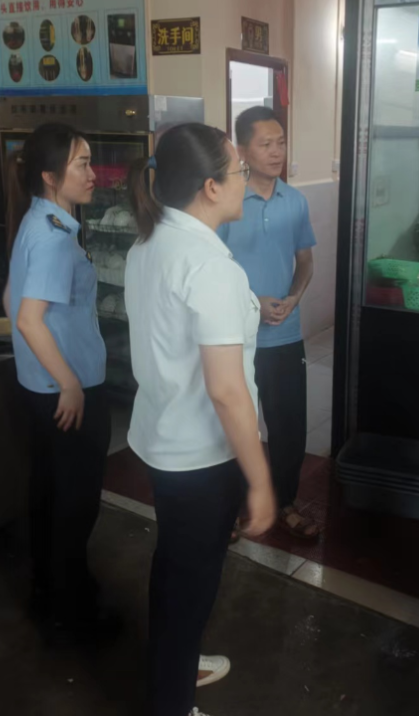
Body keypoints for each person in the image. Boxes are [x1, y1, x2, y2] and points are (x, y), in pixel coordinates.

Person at [125, 123, 277, 716]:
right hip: (202, 459)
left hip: (165, 443)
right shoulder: (209, 267)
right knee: (190, 584)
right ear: (211, 187)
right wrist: (259, 480)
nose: (246, 179)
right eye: (239, 171)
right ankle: (172, 702)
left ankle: (178, 665)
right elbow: (227, 391)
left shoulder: (150, 243)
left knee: (176, 568)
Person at [2, 123, 111, 636]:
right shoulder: (52, 238)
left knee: (49, 493)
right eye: (81, 164)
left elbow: (10, 300)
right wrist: (68, 382)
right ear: (50, 176)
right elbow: (28, 319)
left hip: (38, 386)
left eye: (89, 161)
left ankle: (51, 591)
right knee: (76, 502)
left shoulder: (37, 222)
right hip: (68, 391)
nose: (92, 173)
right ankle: (71, 610)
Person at [218, 106, 318, 541]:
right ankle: (229, 508)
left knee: (288, 425)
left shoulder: (295, 201)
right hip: (233, 337)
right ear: (242, 150)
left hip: (284, 335)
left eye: (281, 143)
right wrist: (252, 302)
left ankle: (285, 503)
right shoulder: (225, 202)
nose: (277, 152)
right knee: (233, 424)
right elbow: (212, 269)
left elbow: (305, 261)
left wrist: (294, 297)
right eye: (266, 144)